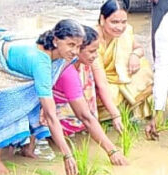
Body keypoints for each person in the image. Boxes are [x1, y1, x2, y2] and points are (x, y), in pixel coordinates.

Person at [0, 21, 84, 175]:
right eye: (71, 44)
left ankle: (26, 148)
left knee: (32, 95)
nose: (75, 51)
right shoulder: (40, 62)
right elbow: (51, 116)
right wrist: (67, 155)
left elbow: (49, 86)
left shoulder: (59, 55)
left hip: (4, 61)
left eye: (78, 46)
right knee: (14, 103)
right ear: (55, 40)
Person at [53, 26, 130, 165]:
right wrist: (112, 151)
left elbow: (102, 84)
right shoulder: (68, 73)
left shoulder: (85, 62)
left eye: (96, 51)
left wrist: (116, 115)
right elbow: (85, 117)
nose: (95, 55)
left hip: (74, 116)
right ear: (77, 50)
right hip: (57, 123)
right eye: (91, 51)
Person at [96, 0, 155, 131]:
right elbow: (100, 82)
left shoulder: (126, 32)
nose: (120, 27)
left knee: (144, 71)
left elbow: (139, 48)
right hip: (101, 81)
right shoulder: (94, 40)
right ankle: (113, 115)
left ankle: (127, 112)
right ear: (102, 19)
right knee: (110, 94)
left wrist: (134, 55)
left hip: (120, 76)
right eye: (114, 22)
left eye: (123, 22)